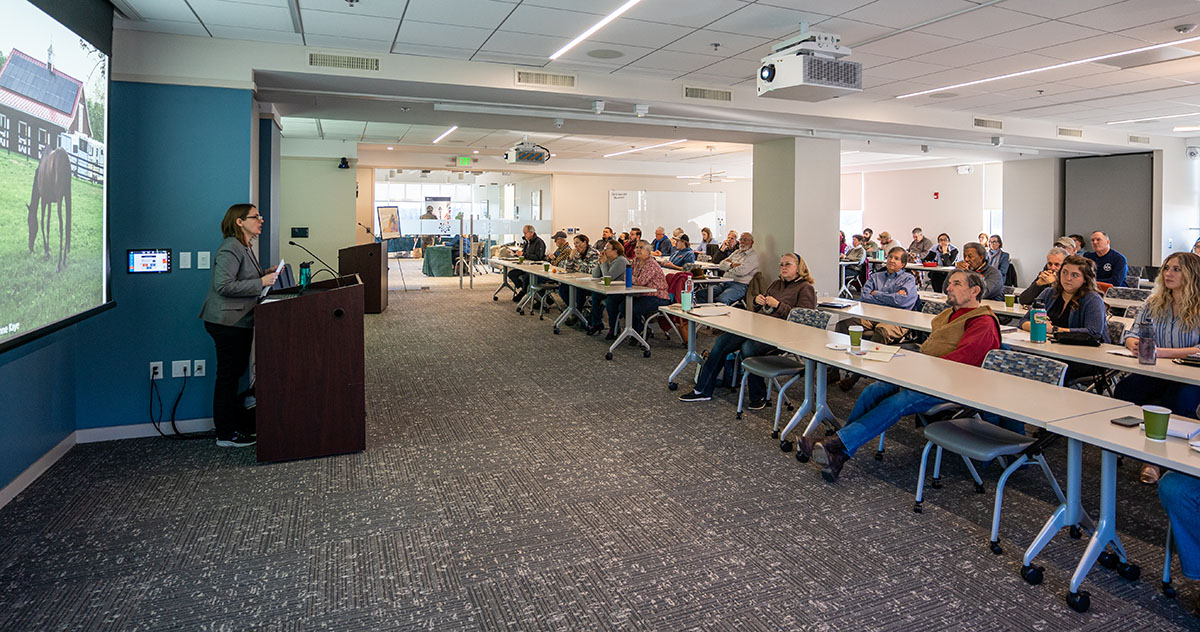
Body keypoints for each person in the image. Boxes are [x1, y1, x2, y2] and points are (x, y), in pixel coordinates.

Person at [802, 270, 1001, 482]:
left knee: (899, 402)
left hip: (952, 385)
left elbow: (961, 363)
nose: (948, 288)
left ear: (974, 291)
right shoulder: (950, 314)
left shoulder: (983, 323)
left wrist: (919, 368)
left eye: (956, 284)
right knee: (873, 391)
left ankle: (834, 445)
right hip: (926, 376)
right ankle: (839, 451)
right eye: (949, 282)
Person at [680, 253, 817, 407]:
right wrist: (757, 301)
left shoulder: (805, 288)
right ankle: (702, 390)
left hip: (782, 334)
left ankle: (758, 396)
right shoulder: (777, 284)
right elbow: (761, 306)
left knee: (748, 349)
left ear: (799, 267)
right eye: (781, 264)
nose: (783, 267)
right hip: (760, 326)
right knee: (721, 342)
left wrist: (778, 305)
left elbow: (803, 318)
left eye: (788, 264)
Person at [199, 204, 278, 448]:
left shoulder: (244, 246)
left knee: (233, 377)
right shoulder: (230, 247)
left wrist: (267, 273)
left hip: (237, 322)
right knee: (227, 378)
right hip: (227, 322)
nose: (261, 221)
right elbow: (224, 285)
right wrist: (262, 282)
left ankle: (232, 426)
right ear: (239, 222)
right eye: (256, 217)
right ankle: (225, 434)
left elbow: (244, 278)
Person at [1118, 252, 1200, 484]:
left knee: (1179, 400)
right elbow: (1132, 333)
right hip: (1155, 369)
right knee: (1126, 390)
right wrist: (1133, 343)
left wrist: (1163, 352)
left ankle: (1157, 460)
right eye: (1166, 268)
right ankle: (1135, 446)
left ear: (1192, 275)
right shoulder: (1153, 303)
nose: (1168, 274)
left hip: (1191, 375)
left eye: (1176, 269)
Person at [1019, 255, 1110, 372]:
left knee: (1041, 368)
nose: (1068, 278)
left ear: (1085, 279)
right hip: (1052, 350)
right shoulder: (1049, 293)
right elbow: (1023, 321)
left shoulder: (1092, 299)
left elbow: (1093, 332)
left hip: (1085, 356)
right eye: (1065, 272)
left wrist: (1054, 330)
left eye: (1075, 275)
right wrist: (1040, 327)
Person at [627, 242, 672, 334]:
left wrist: (630, 278)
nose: (637, 250)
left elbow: (640, 281)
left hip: (658, 296)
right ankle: (640, 329)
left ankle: (640, 331)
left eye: (641, 248)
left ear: (648, 251)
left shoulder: (651, 264)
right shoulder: (636, 261)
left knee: (634, 308)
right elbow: (629, 277)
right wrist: (631, 278)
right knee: (623, 306)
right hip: (641, 294)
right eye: (636, 247)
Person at [588, 240, 629, 337]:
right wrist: (600, 263)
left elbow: (608, 277)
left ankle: (614, 328)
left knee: (611, 302)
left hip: (620, 291)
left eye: (607, 248)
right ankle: (596, 324)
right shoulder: (609, 260)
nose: (604, 250)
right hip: (610, 290)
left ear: (615, 251)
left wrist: (604, 263)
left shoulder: (621, 261)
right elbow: (595, 275)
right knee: (595, 295)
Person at [713, 232, 760, 305]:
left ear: (752, 242)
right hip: (725, 282)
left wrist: (727, 266)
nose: (742, 242)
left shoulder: (752, 256)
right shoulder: (736, 252)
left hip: (739, 285)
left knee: (722, 299)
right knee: (701, 294)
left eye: (745, 240)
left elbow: (741, 272)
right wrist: (732, 265)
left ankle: (719, 315)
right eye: (741, 240)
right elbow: (721, 265)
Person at [558, 234, 598, 315]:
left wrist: (577, 265)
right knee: (562, 288)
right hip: (577, 280)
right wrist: (570, 257)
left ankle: (578, 312)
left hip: (590, 282)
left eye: (578, 243)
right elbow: (568, 269)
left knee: (578, 291)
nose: (576, 246)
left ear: (585, 242)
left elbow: (591, 270)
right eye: (574, 244)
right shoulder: (575, 253)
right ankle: (573, 308)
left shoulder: (594, 253)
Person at [509, 224, 546, 304]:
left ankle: (524, 292)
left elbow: (538, 257)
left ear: (531, 233)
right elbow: (525, 253)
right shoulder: (526, 242)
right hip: (526, 266)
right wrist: (516, 254)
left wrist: (523, 254)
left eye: (525, 233)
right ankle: (525, 290)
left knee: (527, 277)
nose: (524, 235)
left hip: (535, 267)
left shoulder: (539, 242)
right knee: (512, 274)